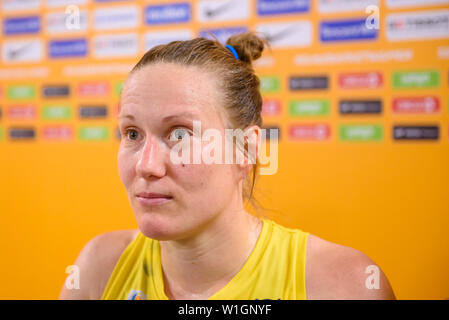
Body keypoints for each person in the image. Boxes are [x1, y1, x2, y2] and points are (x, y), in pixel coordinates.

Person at [59, 32, 396, 300]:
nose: (146, 166)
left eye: (179, 134)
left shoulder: (343, 286)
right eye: (132, 133)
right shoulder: (98, 270)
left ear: (245, 148)